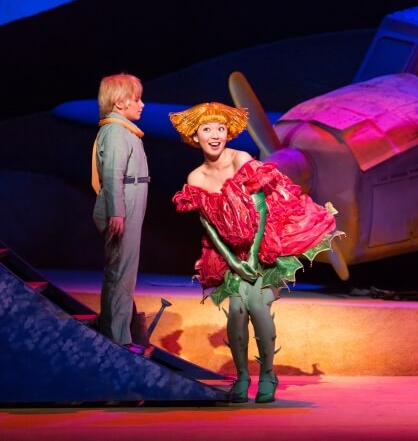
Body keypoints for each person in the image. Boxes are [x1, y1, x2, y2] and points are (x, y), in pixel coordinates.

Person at [170, 102, 341, 403]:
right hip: (230, 253)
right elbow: (209, 226)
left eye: (221, 129)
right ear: (195, 136)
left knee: (257, 306)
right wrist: (235, 262)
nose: (215, 135)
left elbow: (260, 210)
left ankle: (268, 374)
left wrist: (251, 257)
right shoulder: (196, 178)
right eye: (207, 129)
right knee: (237, 310)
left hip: (266, 243)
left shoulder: (241, 160)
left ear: (228, 134)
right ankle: (241, 377)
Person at [91, 73, 150, 355]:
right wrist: (117, 212)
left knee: (121, 270)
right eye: (136, 99)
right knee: (122, 272)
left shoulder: (122, 130)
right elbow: (114, 175)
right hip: (124, 202)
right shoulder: (115, 131)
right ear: (119, 102)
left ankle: (115, 332)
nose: (142, 105)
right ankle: (118, 340)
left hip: (129, 198)